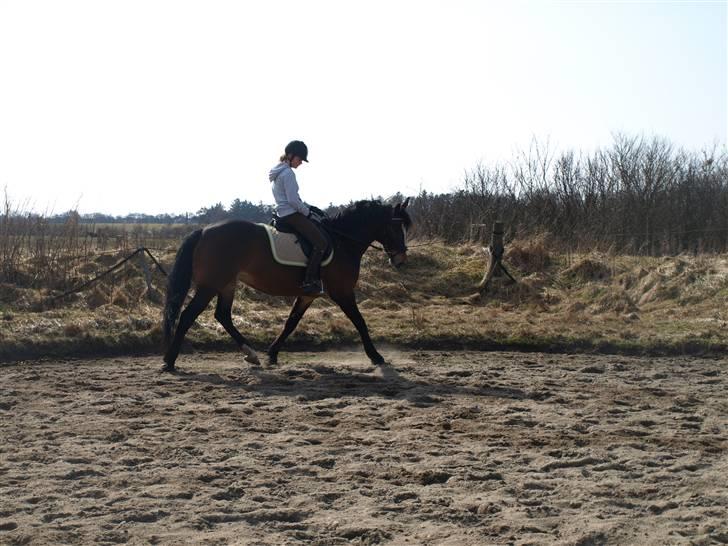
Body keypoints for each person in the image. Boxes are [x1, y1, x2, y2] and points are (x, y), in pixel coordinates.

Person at [269, 140, 327, 295]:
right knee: (321, 243)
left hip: (282, 212)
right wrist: (307, 213)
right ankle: (309, 281)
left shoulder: (278, 172)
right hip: (291, 214)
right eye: (300, 159)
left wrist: (308, 207)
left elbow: (293, 198)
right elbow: (293, 201)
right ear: (290, 155)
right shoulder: (288, 173)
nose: (301, 162)